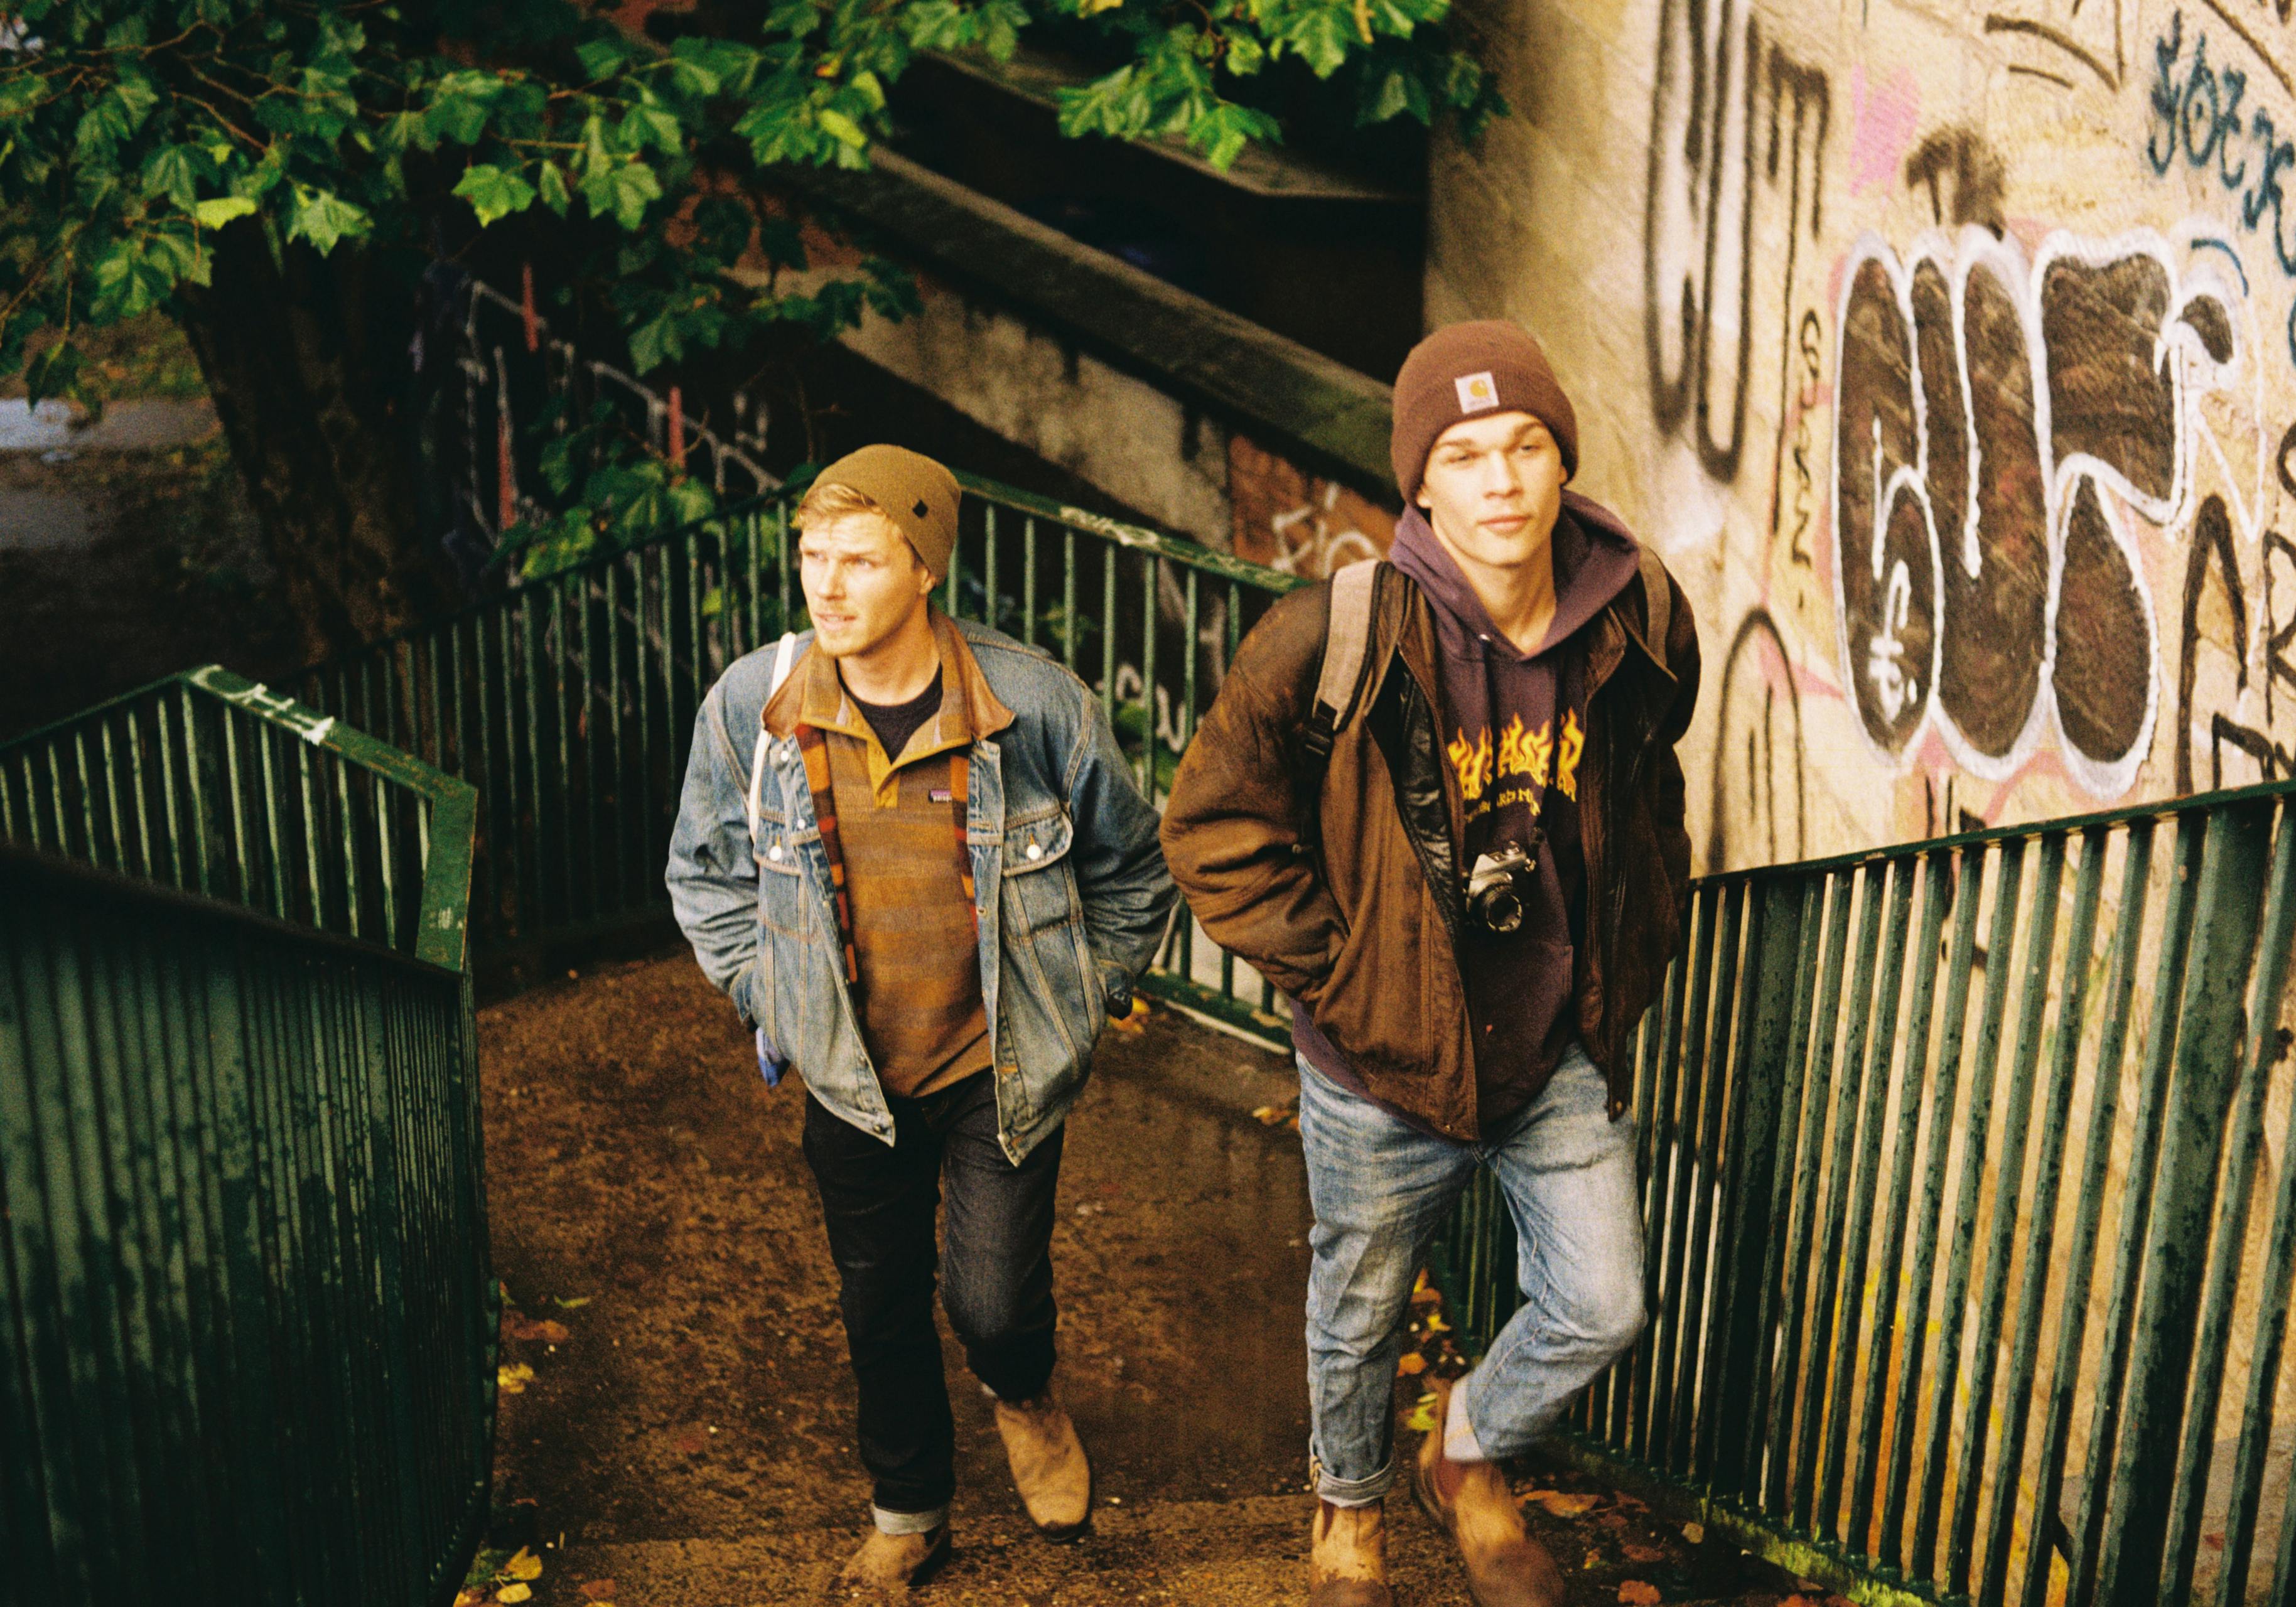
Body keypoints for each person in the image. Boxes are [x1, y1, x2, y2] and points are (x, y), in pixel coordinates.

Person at [1162, 322, 1700, 1607]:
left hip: (1552, 1041)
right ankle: (1346, 1504)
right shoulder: (1331, 635)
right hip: (1378, 1054)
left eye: (1526, 446)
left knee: (1605, 1300)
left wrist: (1632, 946)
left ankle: (1463, 1448)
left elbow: (1649, 790)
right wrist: (1347, 978)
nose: (1503, 479)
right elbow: (1211, 831)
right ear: (1422, 484)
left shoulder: (1640, 613)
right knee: (1357, 1309)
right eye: (1466, 456)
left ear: (1561, 461)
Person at [666, 445, 1177, 1594]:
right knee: (877, 1301)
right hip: (850, 1074)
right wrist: (773, 997)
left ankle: (1023, 1392)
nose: (826, 586)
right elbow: (703, 875)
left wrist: (1083, 1001)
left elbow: (1136, 872)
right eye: (810, 558)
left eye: (859, 560)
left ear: (927, 567)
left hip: (998, 1066)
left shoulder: (1032, 707)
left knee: (991, 1302)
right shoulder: (757, 705)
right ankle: (909, 1510)